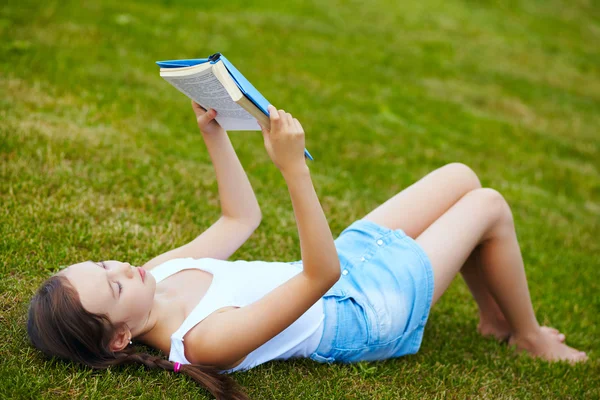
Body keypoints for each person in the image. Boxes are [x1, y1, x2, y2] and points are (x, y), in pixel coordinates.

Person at [27, 102, 588, 400]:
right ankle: (531, 338)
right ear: (120, 338)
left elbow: (239, 218)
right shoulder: (202, 342)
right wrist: (293, 170)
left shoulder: (158, 274)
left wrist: (214, 134)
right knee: (487, 204)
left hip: (341, 274)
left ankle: (494, 319)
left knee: (460, 175)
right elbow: (321, 274)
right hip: (366, 311)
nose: (123, 267)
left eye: (105, 264)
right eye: (115, 284)